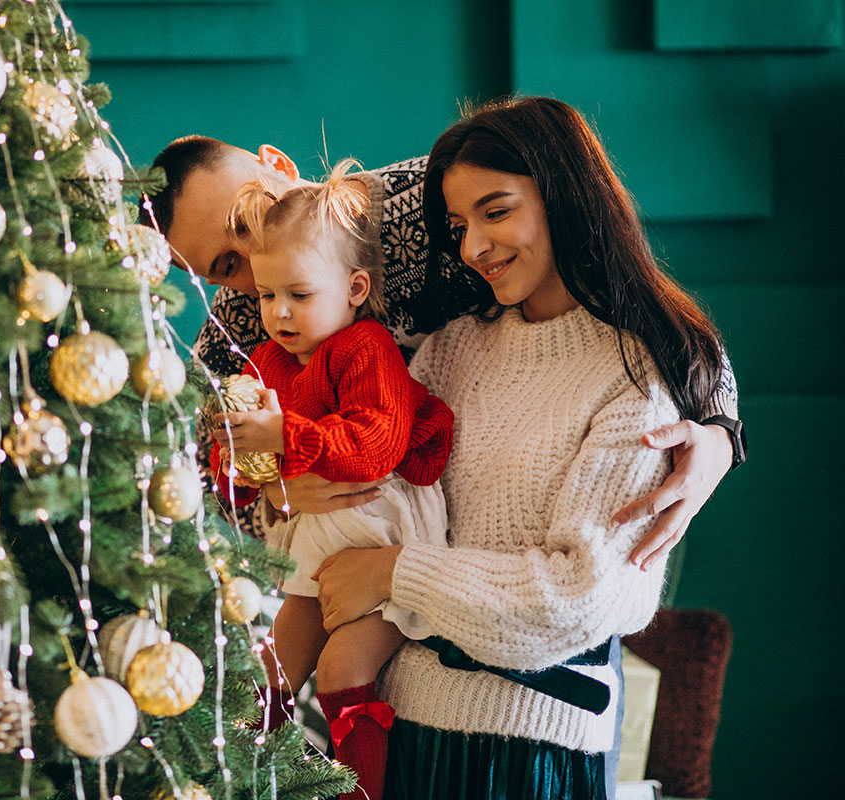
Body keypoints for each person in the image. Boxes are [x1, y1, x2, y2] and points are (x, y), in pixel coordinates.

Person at [297, 96, 736, 798]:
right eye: (458, 225)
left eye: (496, 213)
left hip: (532, 753)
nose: (472, 247)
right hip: (401, 736)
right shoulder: (449, 349)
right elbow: (383, 493)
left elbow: (575, 601)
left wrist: (395, 574)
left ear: (565, 197)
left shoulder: (636, 375)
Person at [207, 161, 455, 800]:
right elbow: (233, 462)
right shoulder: (264, 361)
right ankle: (251, 783)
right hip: (317, 545)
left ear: (354, 287)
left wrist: (286, 442)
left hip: (383, 532)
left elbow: (375, 446)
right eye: (265, 296)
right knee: (271, 671)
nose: (277, 312)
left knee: (344, 664)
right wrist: (242, 465)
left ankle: (359, 791)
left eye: (299, 294)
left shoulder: (366, 349)